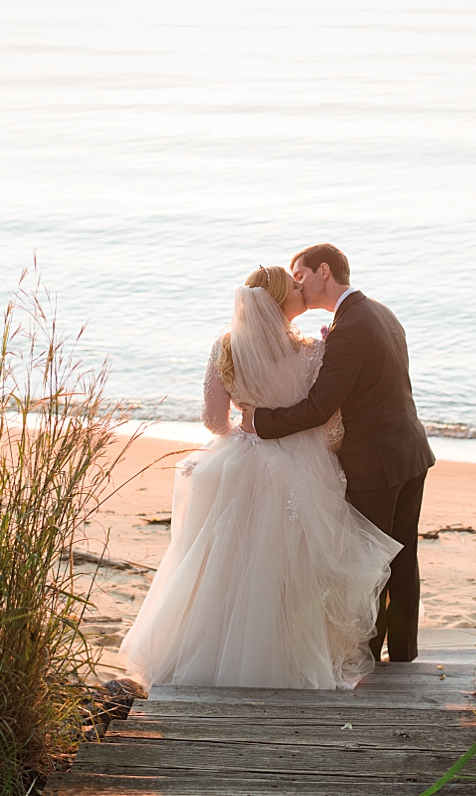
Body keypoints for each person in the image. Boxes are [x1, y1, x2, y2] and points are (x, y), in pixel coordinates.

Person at [120, 265, 402, 689]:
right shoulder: (310, 350)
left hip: (236, 466)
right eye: (294, 288)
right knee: (296, 575)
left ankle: (214, 655)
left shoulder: (225, 346)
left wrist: (246, 432)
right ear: (278, 303)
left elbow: (214, 421)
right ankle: (288, 658)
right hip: (300, 472)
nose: (302, 291)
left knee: (223, 567)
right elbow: (330, 429)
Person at [239, 243, 435, 663]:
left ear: (323, 271)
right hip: (411, 452)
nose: (298, 287)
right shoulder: (381, 312)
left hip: (377, 464)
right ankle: (402, 656)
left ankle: (367, 654)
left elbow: (318, 409)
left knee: (371, 561)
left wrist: (260, 422)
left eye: (300, 277)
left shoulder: (349, 330)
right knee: (402, 556)